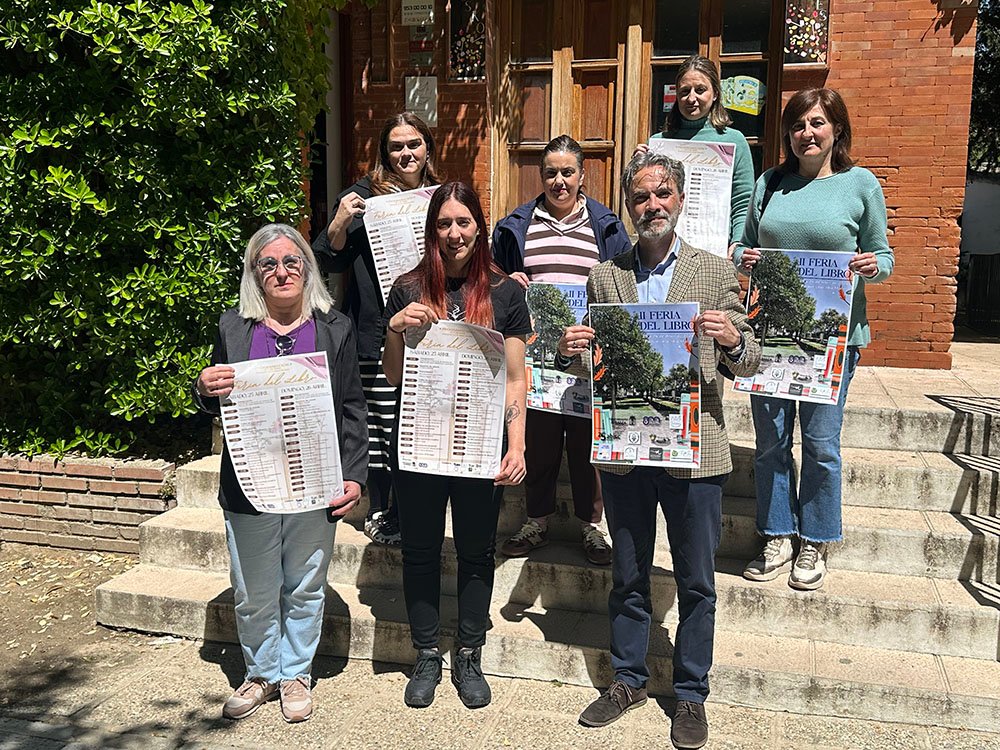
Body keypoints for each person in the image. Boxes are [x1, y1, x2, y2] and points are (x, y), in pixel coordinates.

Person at [567, 152, 760, 750]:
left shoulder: (712, 271)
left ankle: (691, 694)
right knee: (628, 573)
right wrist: (575, 350)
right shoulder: (606, 276)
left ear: (679, 201)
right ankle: (627, 679)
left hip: (694, 449)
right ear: (628, 209)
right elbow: (588, 373)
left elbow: (750, 359)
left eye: (663, 194)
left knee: (697, 581)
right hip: (626, 448)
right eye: (641, 197)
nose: (652, 205)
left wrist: (732, 338)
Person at [194, 224, 369, 723]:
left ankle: (295, 672)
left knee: (306, 584)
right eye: (268, 264)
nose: (282, 271)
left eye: (292, 261)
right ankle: (262, 672)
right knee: (252, 587)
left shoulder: (335, 327)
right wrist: (203, 387)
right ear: (255, 275)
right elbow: (213, 399)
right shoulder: (234, 327)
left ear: (308, 269)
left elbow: (353, 407)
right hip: (251, 483)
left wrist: (354, 476)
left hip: (315, 482)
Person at [735, 88, 893, 591]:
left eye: (818, 123)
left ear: (837, 131)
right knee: (770, 443)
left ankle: (816, 538)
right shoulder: (770, 183)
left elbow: (883, 256)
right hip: (771, 334)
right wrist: (745, 256)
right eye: (799, 124)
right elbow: (743, 244)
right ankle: (778, 533)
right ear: (788, 133)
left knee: (821, 443)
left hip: (832, 340)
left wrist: (872, 266)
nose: (807, 132)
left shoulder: (861, 185)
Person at [382, 182, 531, 710]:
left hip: (478, 444)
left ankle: (468, 651)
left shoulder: (505, 292)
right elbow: (395, 375)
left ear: (479, 227)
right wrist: (395, 328)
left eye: (463, 222)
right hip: (420, 442)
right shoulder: (406, 289)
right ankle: (425, 652)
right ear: (432, 231)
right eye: (443, 224)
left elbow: (516, 377)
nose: (454, 234)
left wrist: (516, 447)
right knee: (419, 550)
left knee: (476, 551)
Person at [491, 134, 632, 566]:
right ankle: (537, 520)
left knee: (587, 440)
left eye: (567, 172)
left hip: (589, 351)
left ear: (582, 175)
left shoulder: (605, 225)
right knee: (540, 438)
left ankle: (592, 527)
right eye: (551, 172)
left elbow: (623, 279)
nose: (559, 181)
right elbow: (494, 274)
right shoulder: (518, 224)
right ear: (541, 176)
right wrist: (508, 280)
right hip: (536, 355)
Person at [312, 112, 440, 547]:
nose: (406, 153)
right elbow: (328, 261)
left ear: (428, 148)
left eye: (414, 144)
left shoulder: (438, 197)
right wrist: (339, 222)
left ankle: (415, 506)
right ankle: (386, 510)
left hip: (433, 330)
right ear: (384, 153)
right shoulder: (361, 197)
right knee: (385, 425)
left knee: (419, 422)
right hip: (376, 332)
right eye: (396, 147)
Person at [636, 54, 754, 252]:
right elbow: (641, 199)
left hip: (714, 253)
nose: (691, 98)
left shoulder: (734, 141)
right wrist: (638, 170)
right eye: (684, 91)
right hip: (663, 253)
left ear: (715, 93)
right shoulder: (660, 143)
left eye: (700, 90)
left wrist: (737, 243)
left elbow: (743, 200)